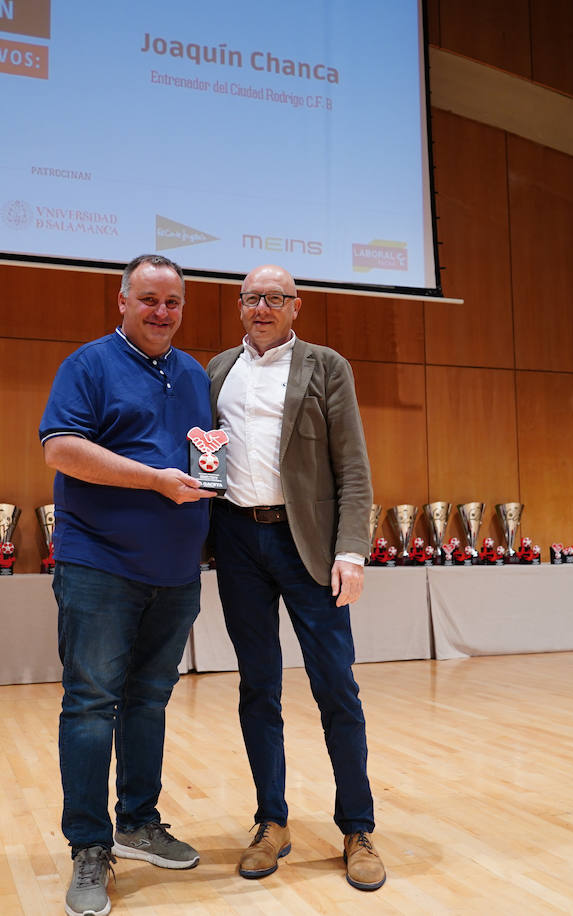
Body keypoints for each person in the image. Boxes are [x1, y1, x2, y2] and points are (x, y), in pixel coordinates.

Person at [39, 254, 218, 916]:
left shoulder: (196, 374)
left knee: (148, 702)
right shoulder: (87, 365)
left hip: (176, 573)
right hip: (100, 568)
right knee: (91, 705)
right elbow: (60, 448)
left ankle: (138, 822)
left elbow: (206, 459)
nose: (161, 312)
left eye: (172, 302)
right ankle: (90, 847)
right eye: (149, 299)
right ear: (121, 301)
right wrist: (151, 479)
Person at [207, 264, 385, 891]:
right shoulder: (216, 371)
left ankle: (357, 827)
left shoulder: (327, 367)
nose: (263, 307)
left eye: (275, 298)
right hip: (236, 539)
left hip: (307, 545)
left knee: (336, 686)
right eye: (253, 298)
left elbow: (354, 468)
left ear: (296, 306)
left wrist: (353, 552)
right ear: (239, 306)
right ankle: (271, 822)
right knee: (258, 687)